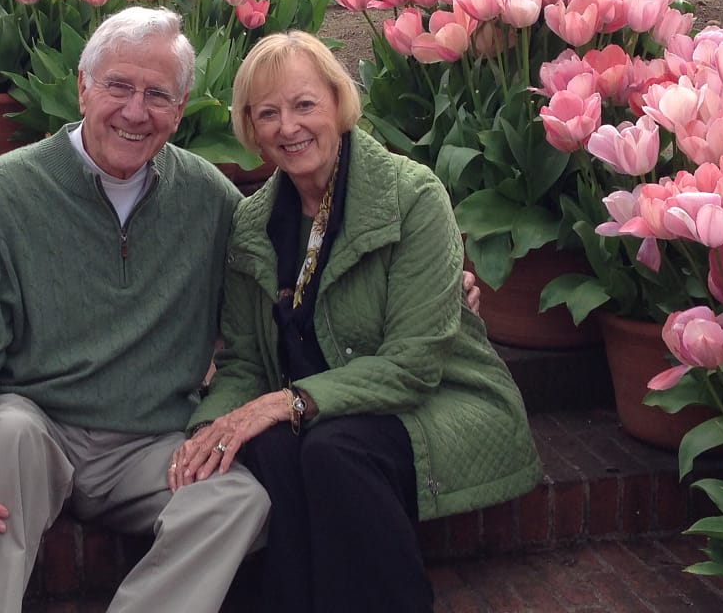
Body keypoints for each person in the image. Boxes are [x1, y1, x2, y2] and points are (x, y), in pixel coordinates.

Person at [0, 6, 271, 613]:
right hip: (39, 433)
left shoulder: (210, 200)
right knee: (1, 442)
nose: (135, 111)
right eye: (118, 86)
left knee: (241, 501)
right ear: (82, 85)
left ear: (180, 111)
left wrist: (439, 287)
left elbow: (282, 284)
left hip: (151, 447)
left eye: (157, 94)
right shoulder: (8, 191)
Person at [170, 31, 542, 613]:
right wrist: (212, 428)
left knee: (333, 450)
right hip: (321, 412)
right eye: (268, 113)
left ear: (338, 103)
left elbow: (415, 363)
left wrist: (284, 403)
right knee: (267, 449)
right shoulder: (251, 225)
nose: (289, 127)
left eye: (305, 105)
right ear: (250, 128)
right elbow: (243, 363)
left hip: (437, 399)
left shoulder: (412, 195)